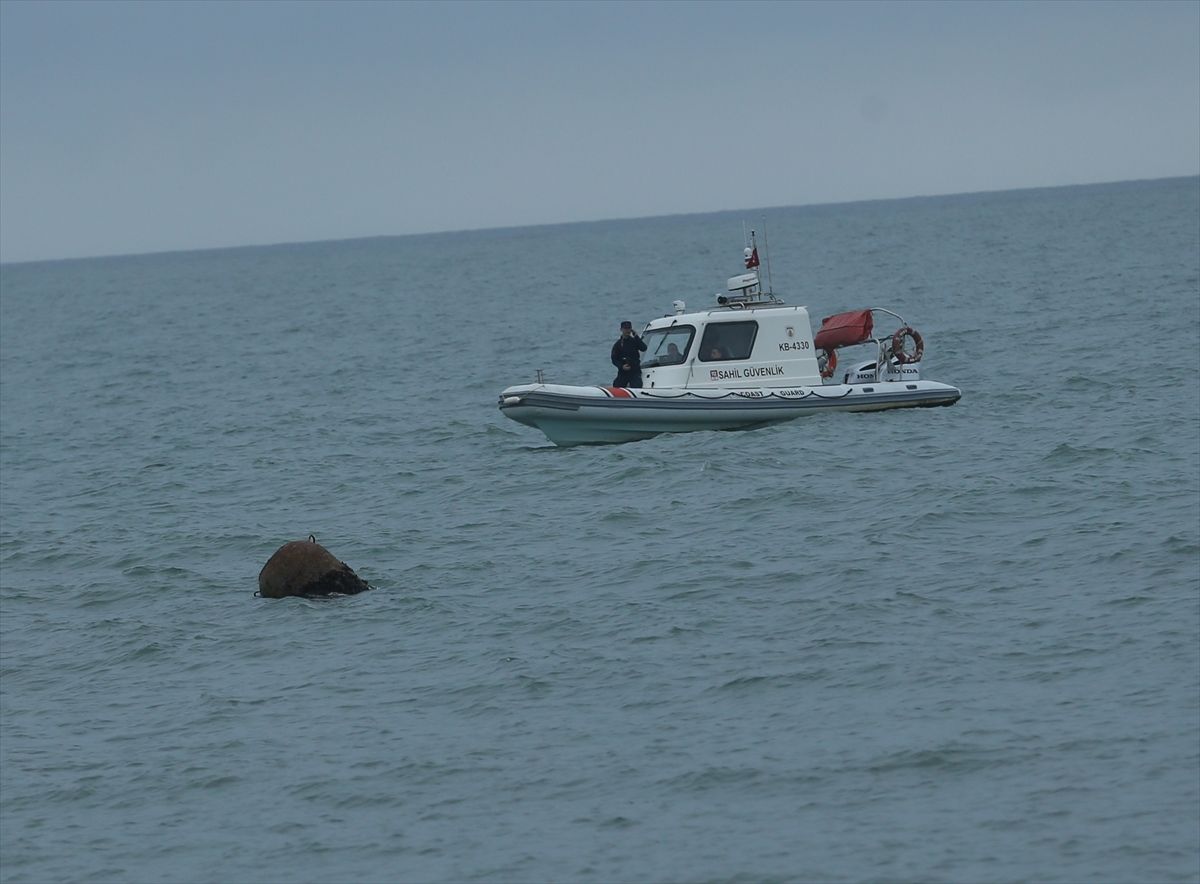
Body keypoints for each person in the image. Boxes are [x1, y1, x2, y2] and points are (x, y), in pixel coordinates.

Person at [610, 320, 647, 388]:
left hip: (635, 371)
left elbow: (644, 348)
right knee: (617, 385)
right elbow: (614, 359)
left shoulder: (634, 341)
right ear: (621, 329)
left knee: (637, 386)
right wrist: (621, 366)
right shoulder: (618, 344)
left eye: (629, 328)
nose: (627, 331)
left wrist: (636, 336)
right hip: (623, 372)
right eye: (625, 329)